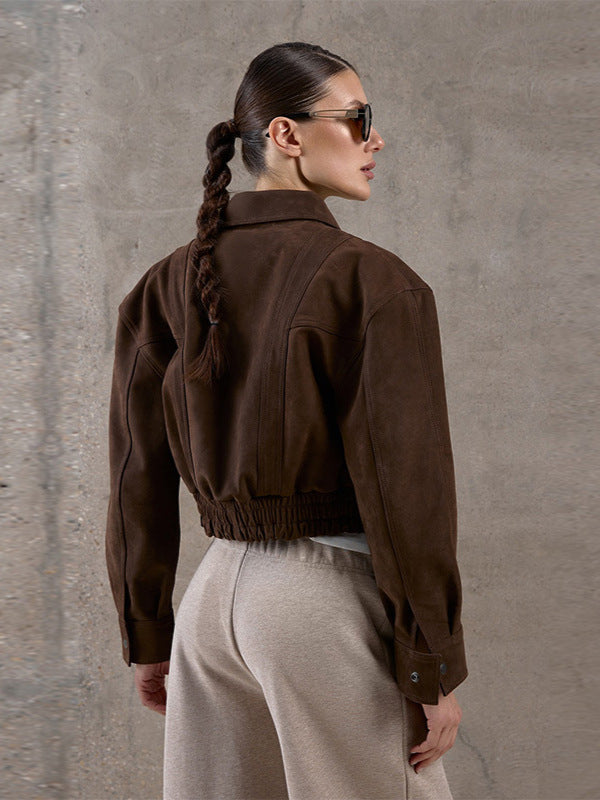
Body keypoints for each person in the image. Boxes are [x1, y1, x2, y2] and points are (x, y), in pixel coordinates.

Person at [105, 41, 468, 800]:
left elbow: (137, 475)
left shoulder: (163, 283)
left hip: (212, 605)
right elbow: (406, 490)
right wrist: (430, 661)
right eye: (358, 117)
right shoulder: (371, 281)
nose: (375, 139)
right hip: (320, 608)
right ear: (285, 134)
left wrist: (149, 631)